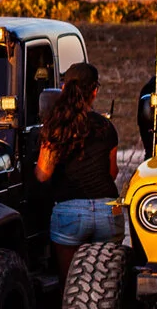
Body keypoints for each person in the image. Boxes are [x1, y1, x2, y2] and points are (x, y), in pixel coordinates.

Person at [37, 62, 121, 269]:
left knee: (69, 283)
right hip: (108, 210)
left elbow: (43, 175)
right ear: (94, 91)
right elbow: (112, 172)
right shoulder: (106, 126)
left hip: (69, 211)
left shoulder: (55, 126)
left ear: (63, 89)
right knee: (108, 279)